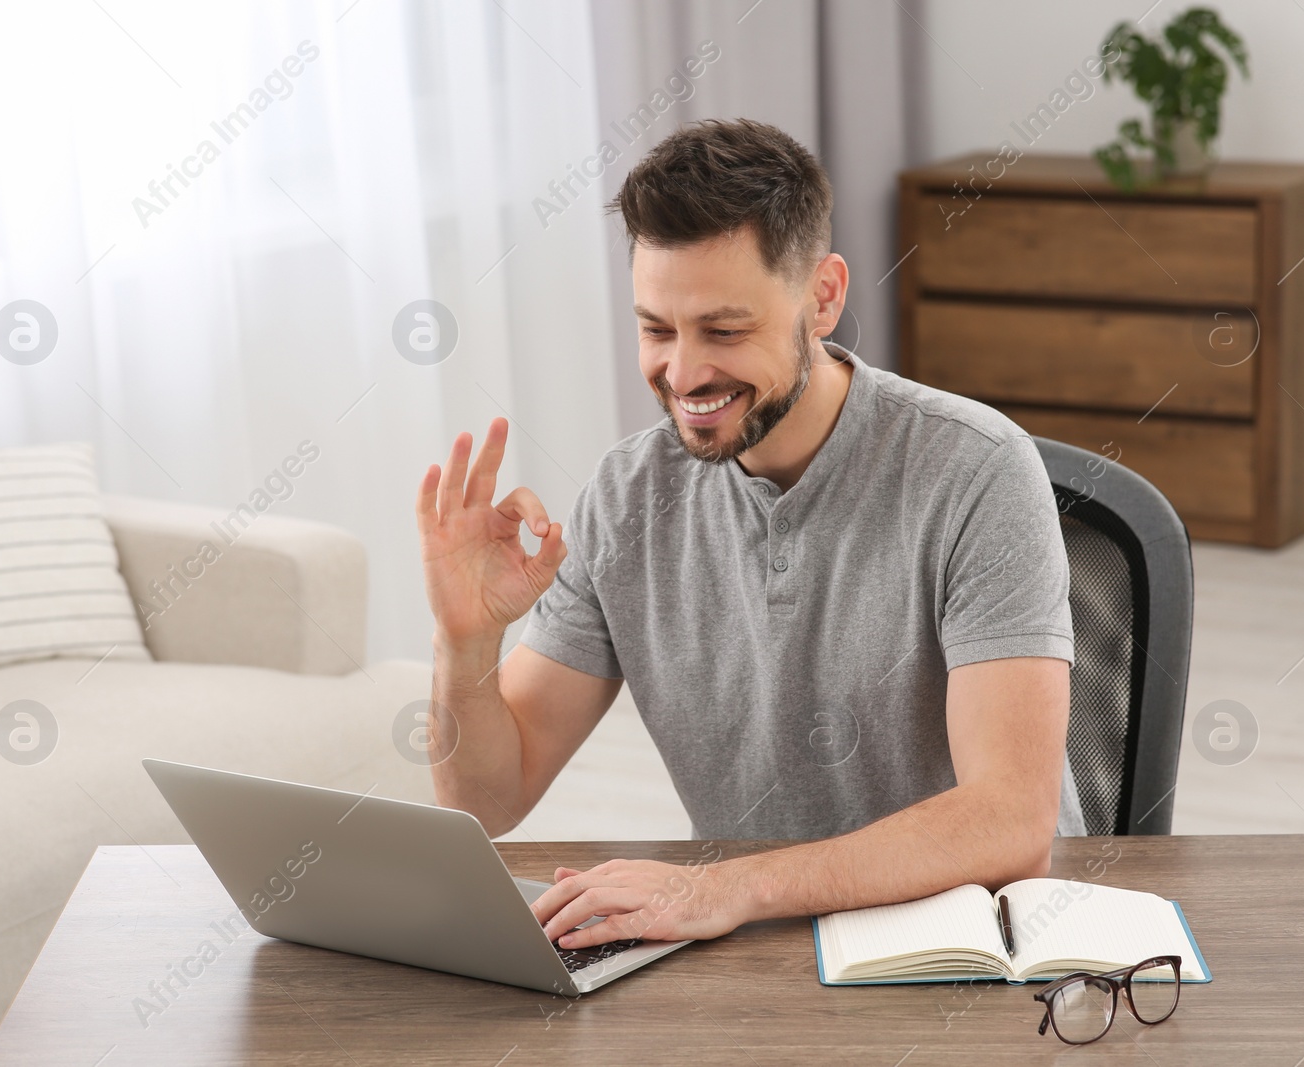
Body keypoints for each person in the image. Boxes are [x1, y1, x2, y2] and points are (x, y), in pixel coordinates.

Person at [415, 118, 1084, 951]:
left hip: (972, 947)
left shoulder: (978, 472)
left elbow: (1010, 822)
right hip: (756, 951)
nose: (685, 374)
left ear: (824, 299)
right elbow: (489, 796)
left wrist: (721, 888)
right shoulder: (626, 500)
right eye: (657, 329)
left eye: (724, 331)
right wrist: (466, 642)